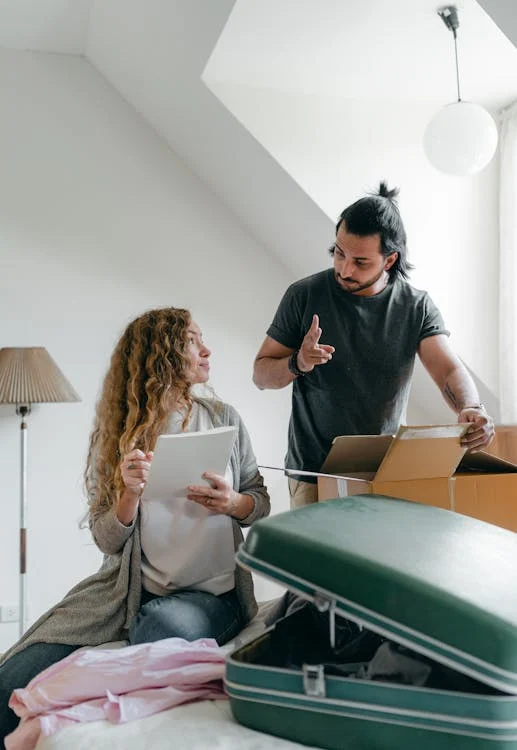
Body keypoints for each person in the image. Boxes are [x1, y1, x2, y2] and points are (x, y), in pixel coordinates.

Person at [0, 307, 270, 741]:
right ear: (162, 355)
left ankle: (78, 708)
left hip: (209, 597)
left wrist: (233, 502)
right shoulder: (123, 433)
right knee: (11, 676)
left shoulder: (224, 417)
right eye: (192, 340)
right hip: (123, 595)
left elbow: (260, 501)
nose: (206, 349)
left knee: (159, 628)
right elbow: (107, 541)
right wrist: (129, 494)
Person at [253, 181, 494, 508]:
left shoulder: (415, 306)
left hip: (383, 471)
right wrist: (298, 362)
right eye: (339, 253)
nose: (344, 268)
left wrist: (471, 407)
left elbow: (448, 368)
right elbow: (261, 375)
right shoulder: (304, 295)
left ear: (390, 260)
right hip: (312, 474)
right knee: (316, 561)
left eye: (360, 262)